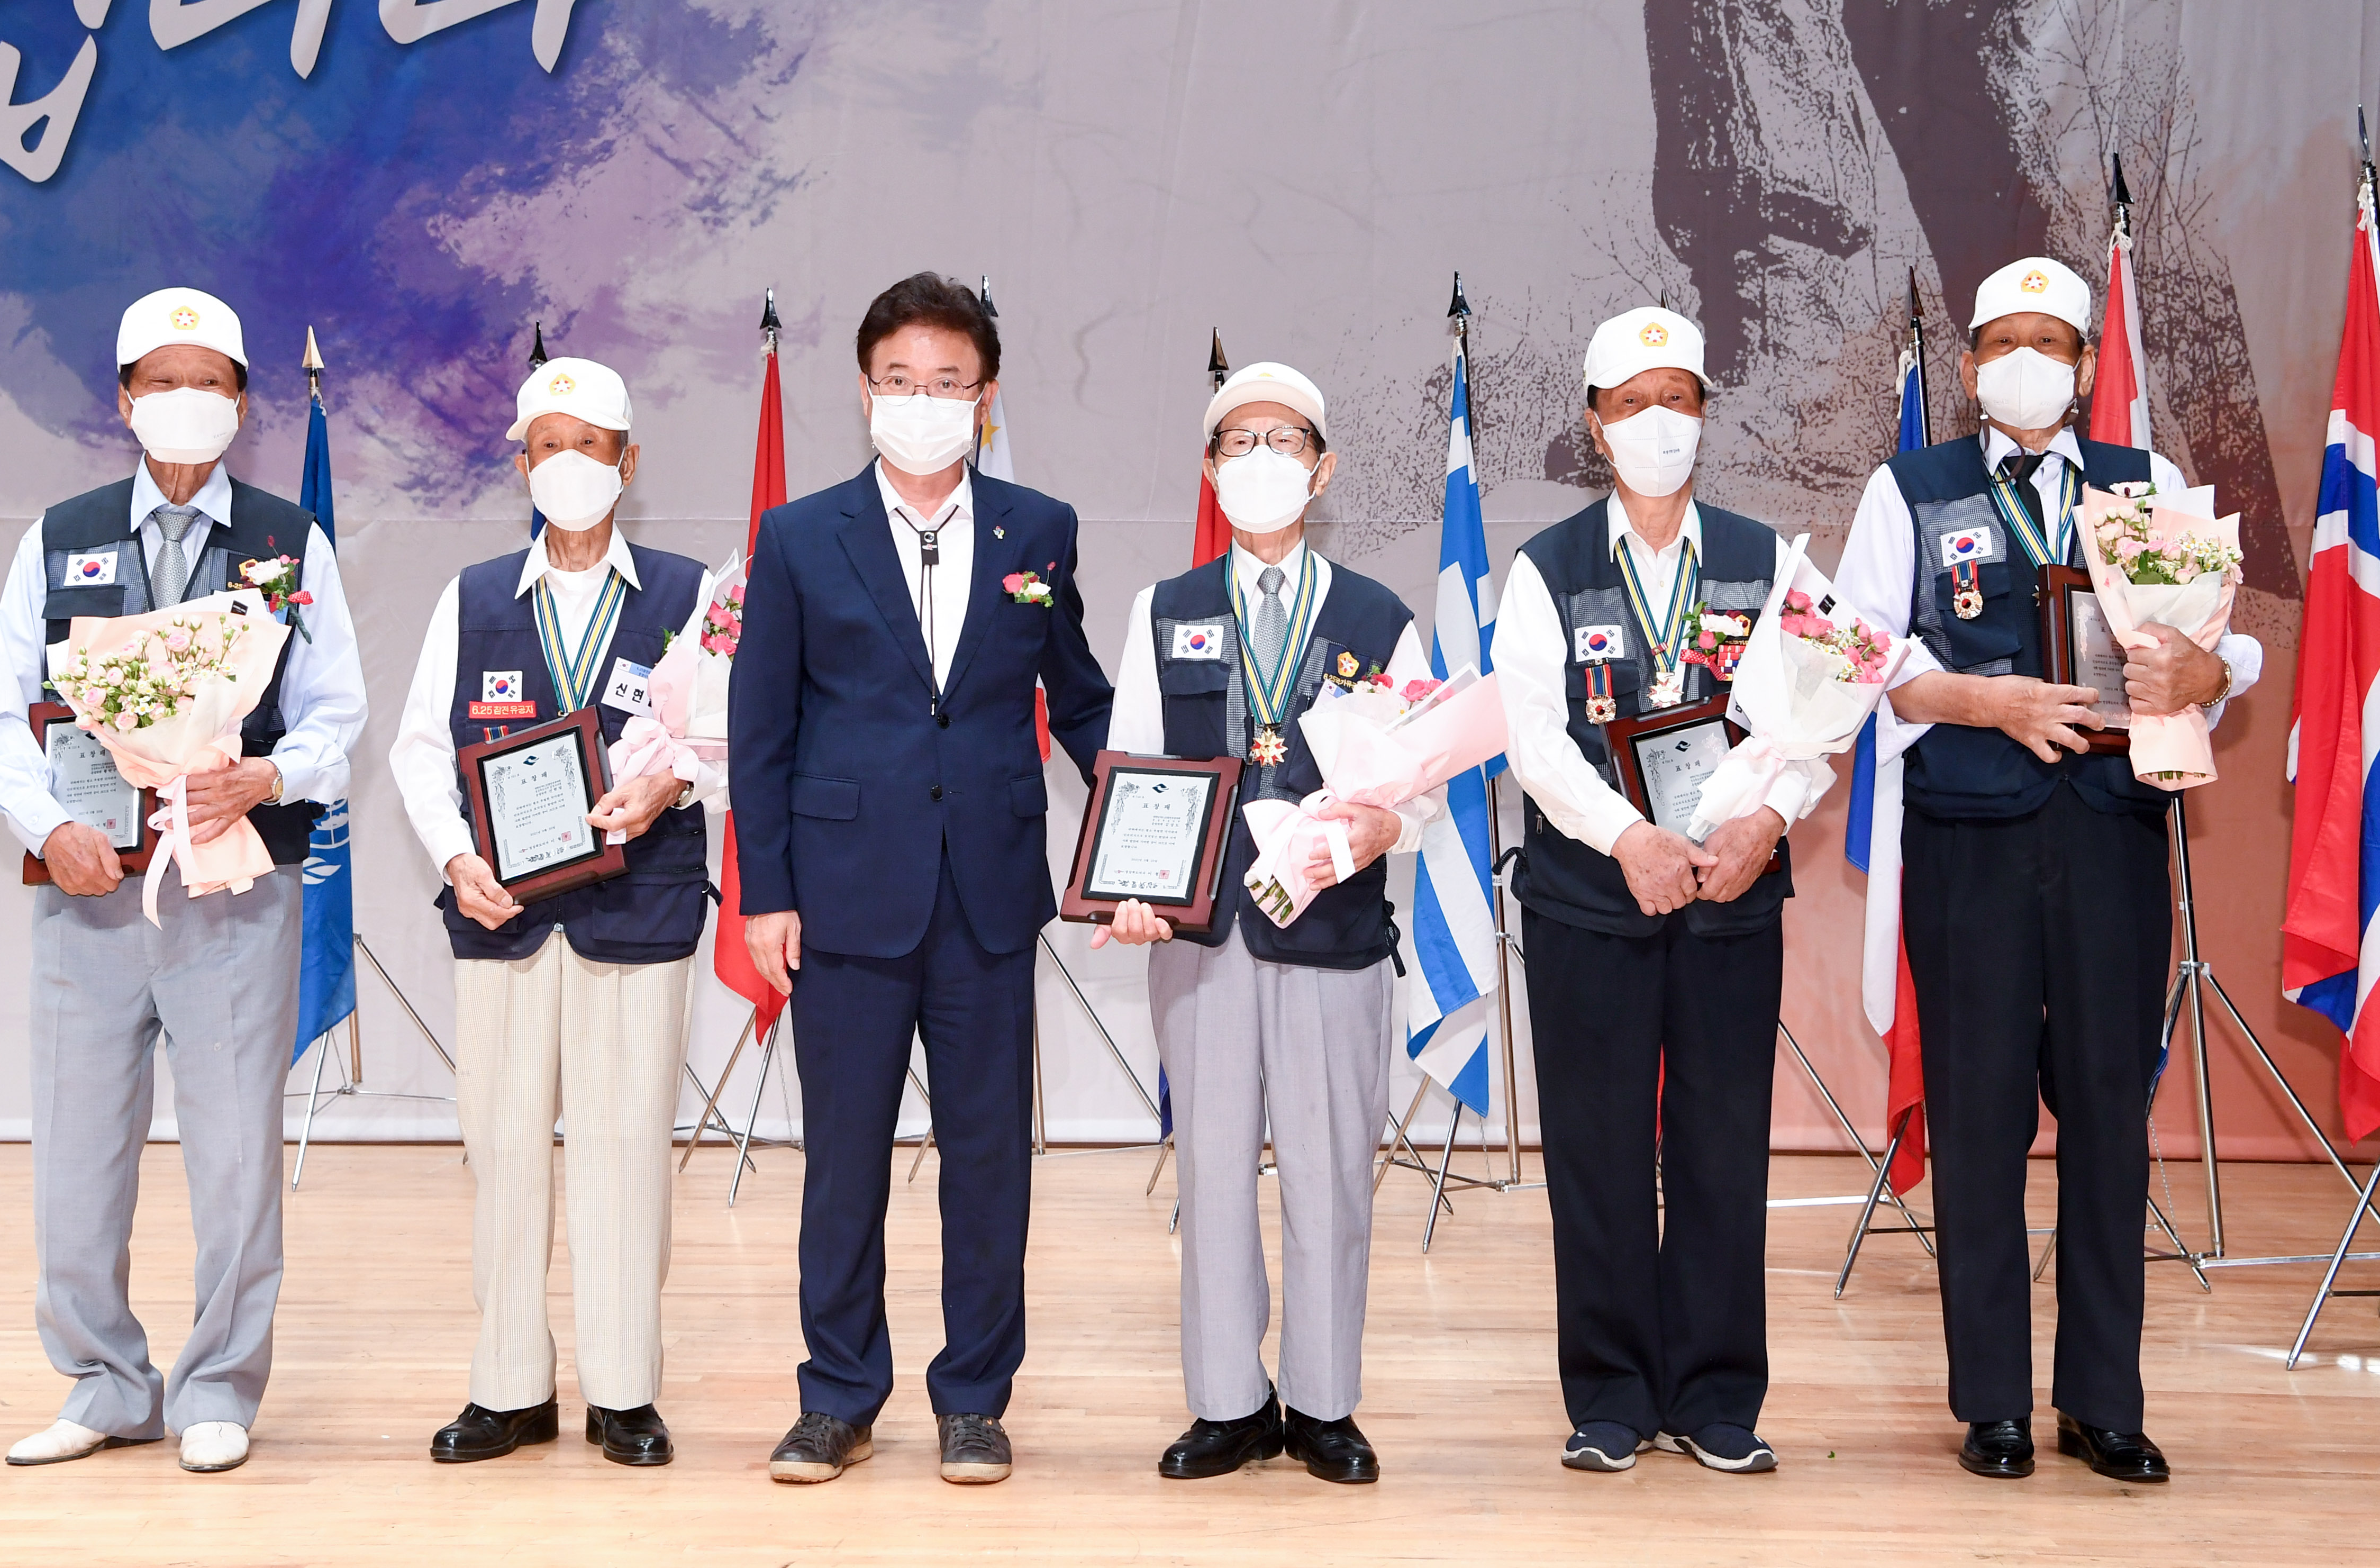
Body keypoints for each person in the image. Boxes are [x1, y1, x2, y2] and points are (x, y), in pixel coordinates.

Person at [1835, 258, 2262, 1484]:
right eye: (2003, 342)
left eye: (2050, 342)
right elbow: (1860, 655)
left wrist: (2205, 675)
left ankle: (2103, 1402)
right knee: (1976, 1121)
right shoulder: (1911, 489)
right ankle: (1994, 1405)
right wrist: (1986, 701)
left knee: (2109, 1121)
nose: (2025, 361)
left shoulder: (2145, 485)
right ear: (1972, 366)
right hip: (1968, 838)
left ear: (2083, 368)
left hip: (2111, 838)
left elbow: (2216, 647)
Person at [0, 286, 367, 1474]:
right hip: (89, 892)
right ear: (124, 398)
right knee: (75, 1153)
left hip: (236, 890)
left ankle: (218, 1387)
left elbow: (337, 712)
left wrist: (270, 775)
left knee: (235, 1156)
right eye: (163, 381)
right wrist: (49, 823)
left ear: (242, 403)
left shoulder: (290, 543)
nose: (186, 400)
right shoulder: (58, 537)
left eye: (209, 382)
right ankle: (103, 1382)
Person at [731, 273, 1114, 1486]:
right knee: (843, 1161)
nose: (924, 399)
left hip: (988, 895)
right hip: (843, 897)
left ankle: (975, 1400)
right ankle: (838, 1397)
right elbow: (761, 731)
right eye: (901, 380)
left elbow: (1079, 698)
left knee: (989, 1159)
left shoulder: (1038, 528)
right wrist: (767, 894)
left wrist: (1157, 818)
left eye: (949, 382)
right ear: (865, 392)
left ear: (985, 398)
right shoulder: (801, 536)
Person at [1492, 307, 1827, 1477]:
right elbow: (1532, 738)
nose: (1657, 423)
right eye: (1632, 406)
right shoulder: (1547, 567)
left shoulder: (1767, 557)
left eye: (1677, 400)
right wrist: (1628, 836)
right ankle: (1611, 1396)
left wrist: (1768, 819)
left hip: (1732, 889)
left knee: (1722, 1146)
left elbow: (1822, 711)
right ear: (1595, 426)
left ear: (1704, 415)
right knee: (1595, 1149)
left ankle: (1718, 1396)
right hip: (1592, 897)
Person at [1094, 362, 1428, 1485]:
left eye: (1284, 441)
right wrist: (1132, 888)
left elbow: (1423, 788)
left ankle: (1324, 1404)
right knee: (1213, 1171)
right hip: (1203, 938)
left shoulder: (1380, 616)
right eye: (1238, 442)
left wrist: (1381, 828)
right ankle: (1227, 1403)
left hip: (1334, 931)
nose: (1261, 461)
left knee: (1332, 1171)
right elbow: (1136, 763)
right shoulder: (1166, 608)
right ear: (1209, 468)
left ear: (1322, 471)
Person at [389, 357, 725, 1468]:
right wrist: (453, 854)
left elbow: (736, 740)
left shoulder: (692, 594)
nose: (568, 464)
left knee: (626, 1152)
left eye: (591, 446)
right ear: (520, 464)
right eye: (548, 446)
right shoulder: (473, 595)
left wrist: (672, 782)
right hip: (504, 914)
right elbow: (419, 749)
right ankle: (508, 1387)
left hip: (640, 907)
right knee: (502, 1151)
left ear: (628, 463)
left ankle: (624, 1391)